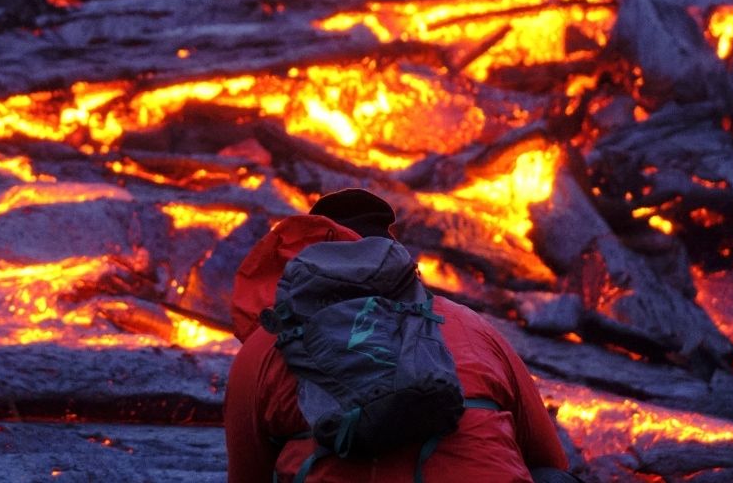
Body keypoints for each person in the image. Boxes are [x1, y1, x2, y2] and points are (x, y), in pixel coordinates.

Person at [225, 189, 576, 483]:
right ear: (397, 261)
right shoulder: (469, 325)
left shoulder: (266, 345)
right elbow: (550, 457)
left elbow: (247, 474)